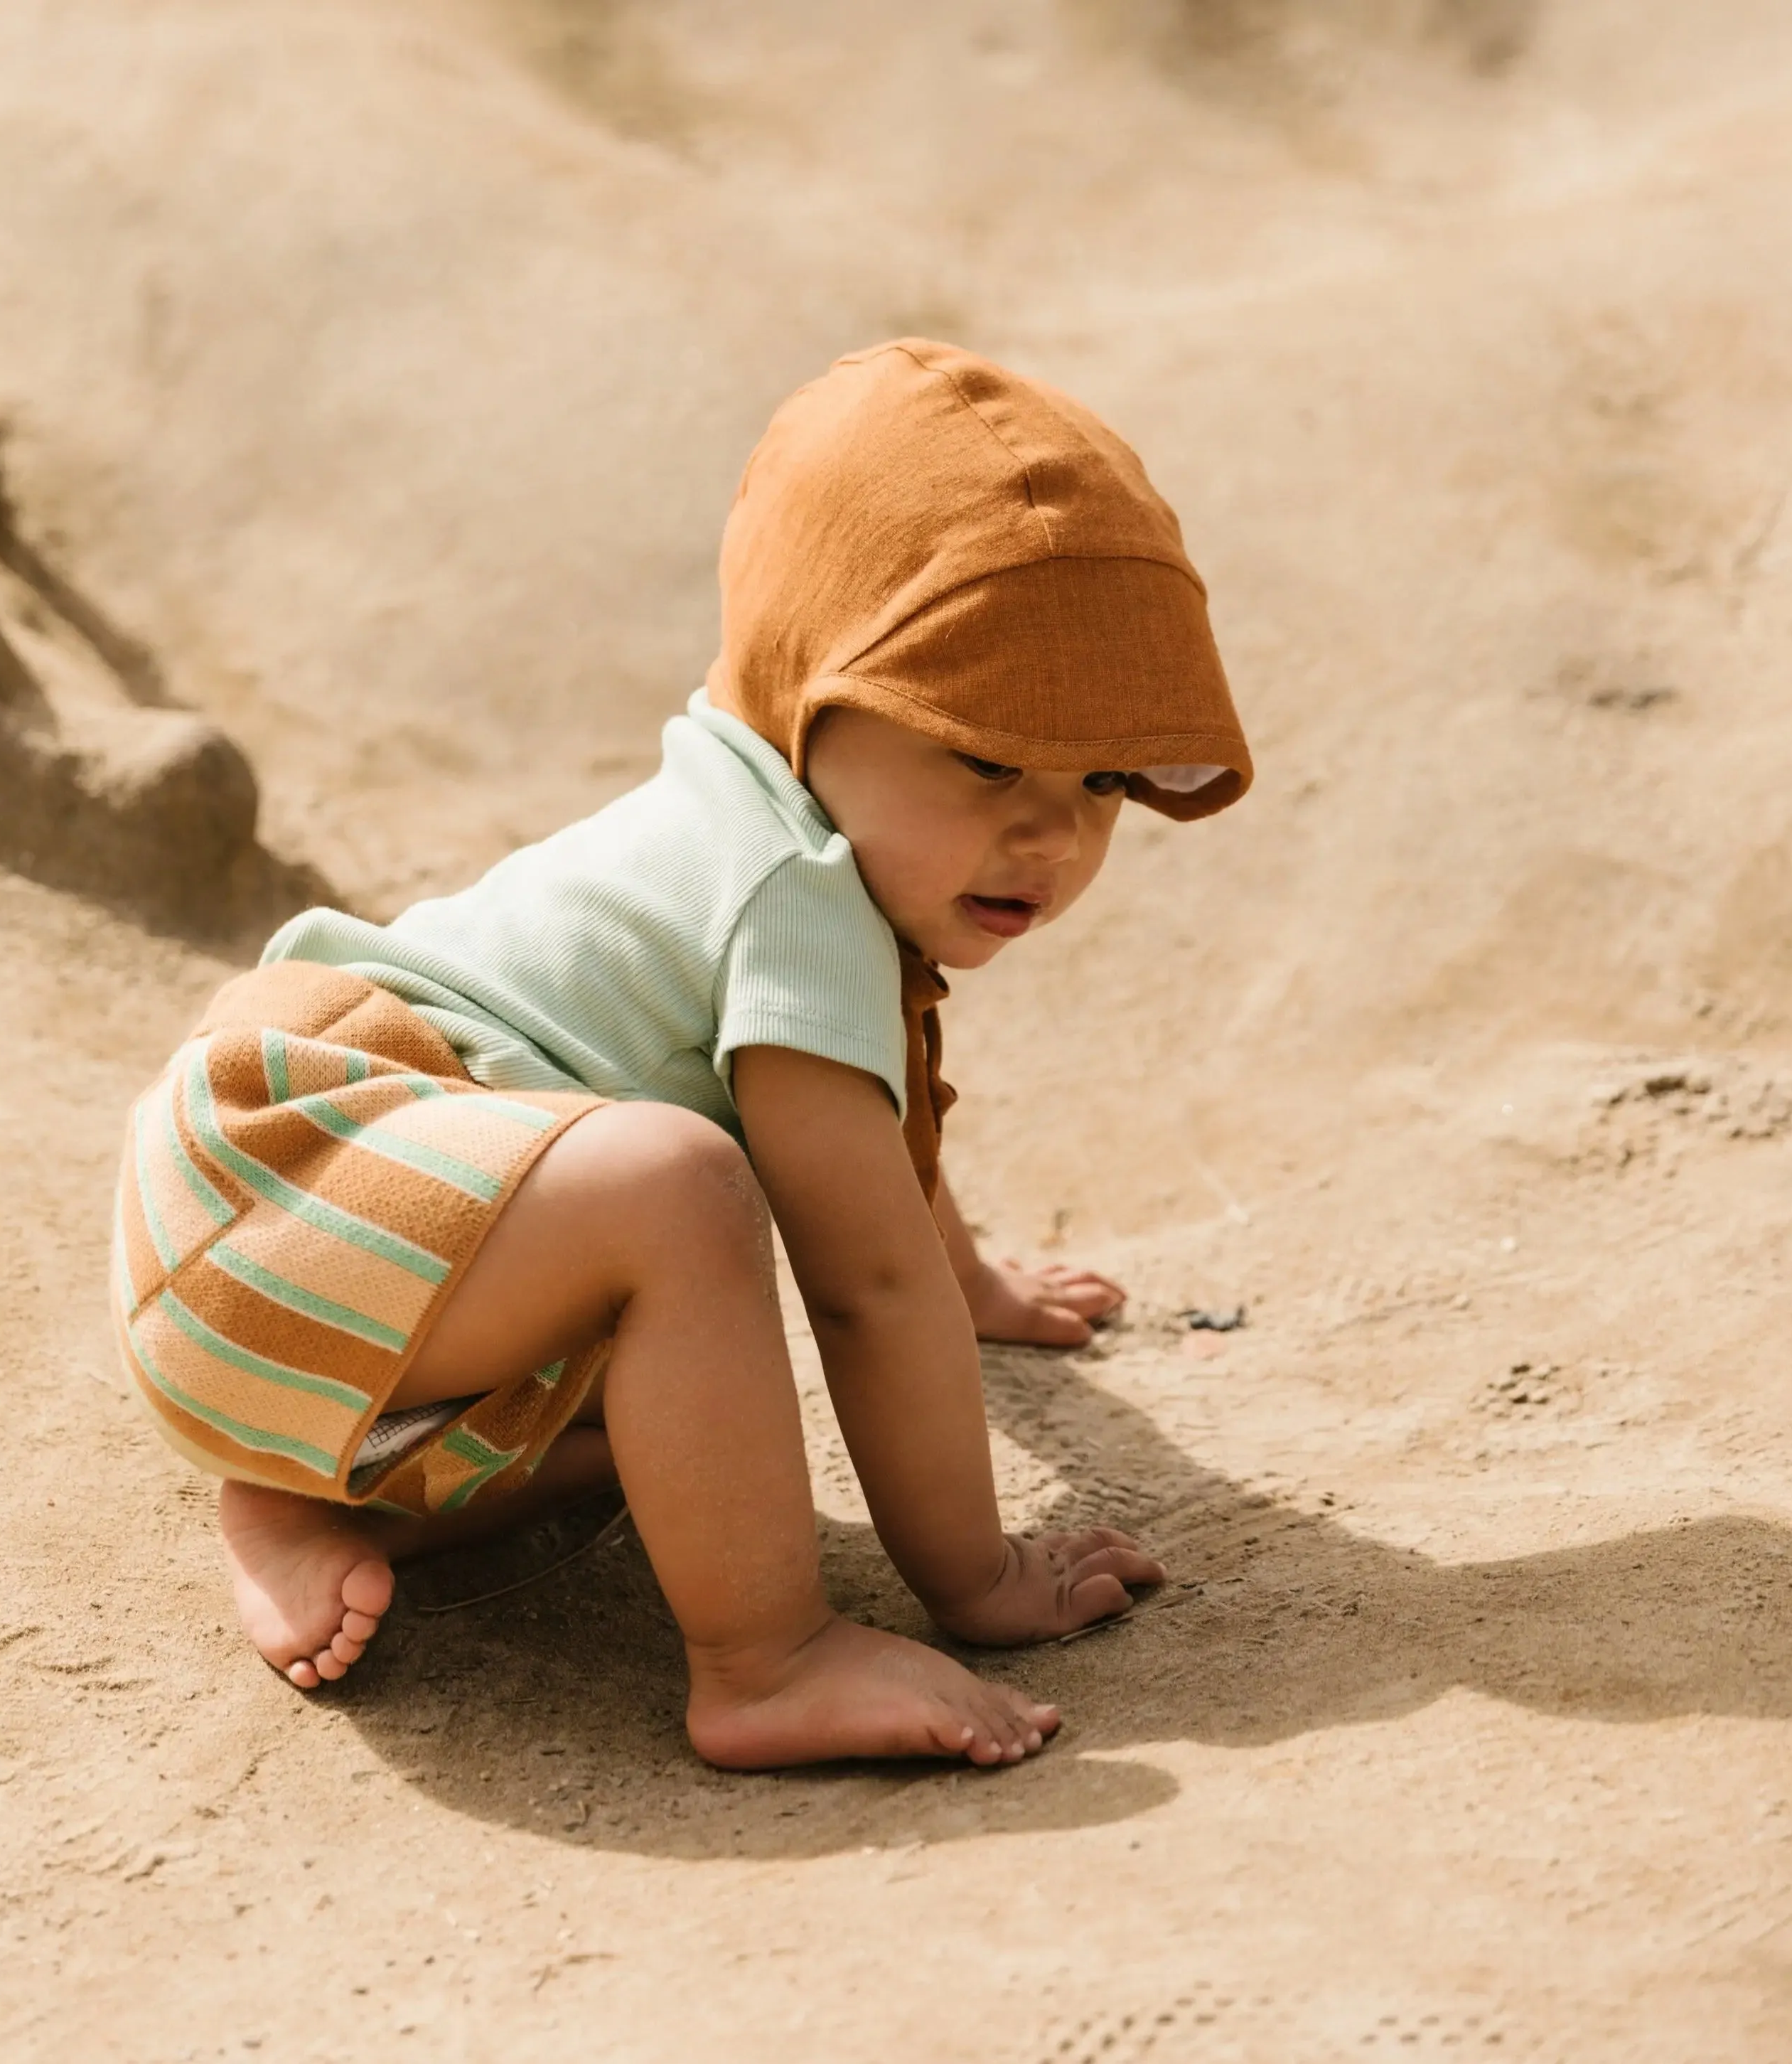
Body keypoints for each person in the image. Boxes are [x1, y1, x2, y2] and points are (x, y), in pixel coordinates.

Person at [109, 338, 1252, 1769]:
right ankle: (765, 1661)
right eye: (982, 755)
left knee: (691, 1432)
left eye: (1098, 780)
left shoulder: (770, 809)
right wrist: (979, 1577)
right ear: (815, 692)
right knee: (679, 1188)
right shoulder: (793, 885)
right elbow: (863, 1280)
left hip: (318, 1269)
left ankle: (308, 1494)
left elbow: (880, 1178)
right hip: (292, 1181)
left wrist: (971, 1286)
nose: (1053, 834)